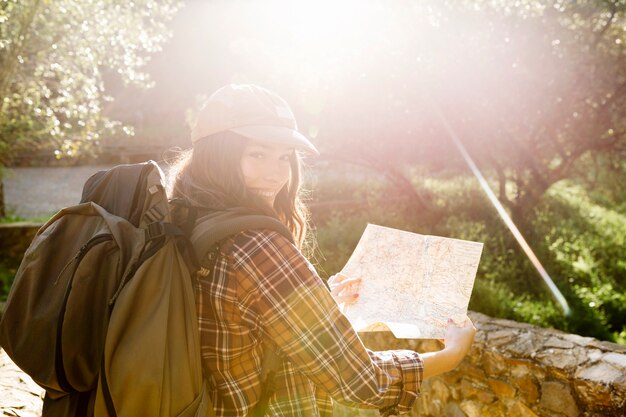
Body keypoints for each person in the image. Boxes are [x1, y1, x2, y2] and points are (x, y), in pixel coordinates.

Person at [167, 84, 476, 417]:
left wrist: (323, 302)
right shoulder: (257, 246)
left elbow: (239, 322)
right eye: (257, 154)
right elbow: (361, 381)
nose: (276, 174)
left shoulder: (184, 216)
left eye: (284, 157)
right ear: (218, 154)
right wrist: (451, 355)